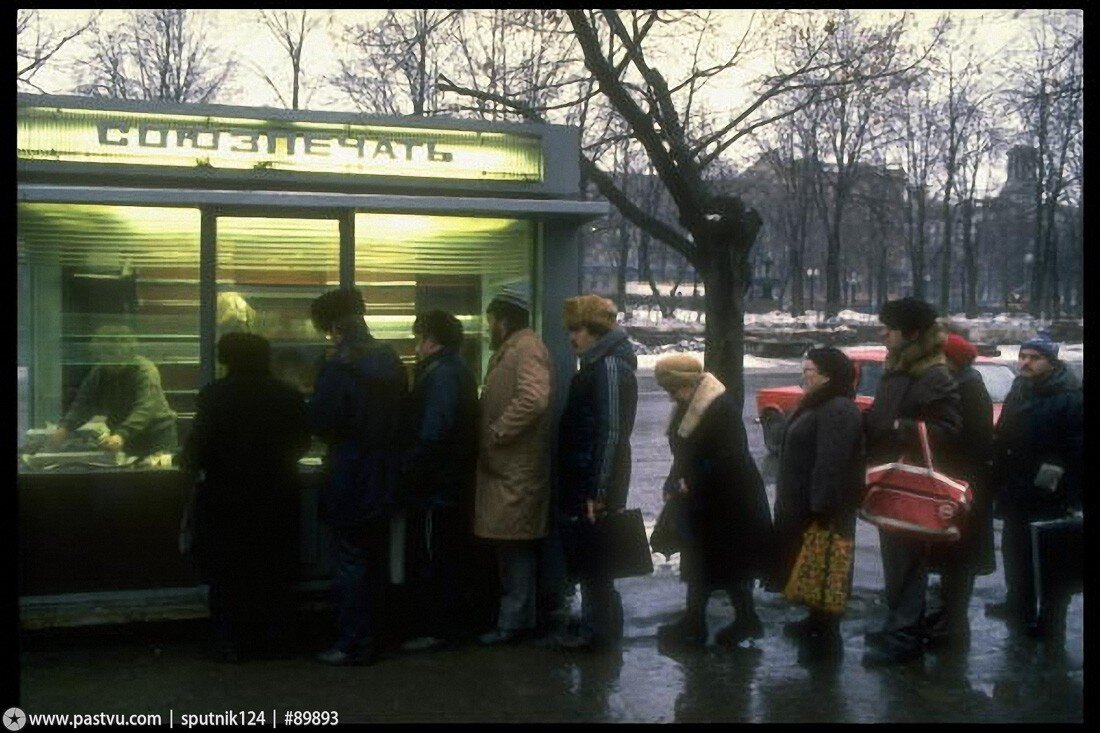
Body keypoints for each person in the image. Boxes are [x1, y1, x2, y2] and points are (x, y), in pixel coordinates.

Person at [179, 333, 310, 662]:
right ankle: (276, 641)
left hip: (227, 495)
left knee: (229, 572)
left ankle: (232, 643)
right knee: (274, 569)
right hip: (277, 494)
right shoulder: (288, 395)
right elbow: (303, 443)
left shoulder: (214, 396)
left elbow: (198, 446)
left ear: (227, 359)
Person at [309, 288, 407, 666]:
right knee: (376, 558)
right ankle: (378, 635)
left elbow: (324, 422)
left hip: (350, 475)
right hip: (386, 474)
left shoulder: (337, 366)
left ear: (334, 326)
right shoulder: (391, 359)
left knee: (349, 561)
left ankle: (354, 642)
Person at [862, 297, 962, 667]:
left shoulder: (933, 373)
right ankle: (900, 626)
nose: (882, 332)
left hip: (911, 484)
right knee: (896, 560)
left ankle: (905, 638)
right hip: (889, 478)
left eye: (890, 326)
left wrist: (897, 428)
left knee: (907, 562)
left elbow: (949, 430)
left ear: (914, 332)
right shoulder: (899, 366)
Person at [653, 355, 773, 649]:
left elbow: (730, 457)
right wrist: (674, 480)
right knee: (705, 561)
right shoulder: (687, 405)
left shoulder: (719, 408)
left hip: (731, 499)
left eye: (673, 388)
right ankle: (711, 622)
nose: (670, 396)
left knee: (722, 563)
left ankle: (710, 624)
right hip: (709, 498)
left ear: (690, 383)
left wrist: (691, 480)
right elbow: (684, 454)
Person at [554, 295, 638, 651]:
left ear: (595, 331)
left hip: (595, 479)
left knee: (596, 558)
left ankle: (598, 632)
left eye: (577, 330)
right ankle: (597, 626)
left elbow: (611, 433)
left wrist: (598, 491)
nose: (572, 338)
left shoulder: (607, 368)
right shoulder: (600, 365)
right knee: (593, 556)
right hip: (590, 476)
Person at [987, 331, 1082, 643]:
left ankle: (1050, 620)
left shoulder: (1069, 396)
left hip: (1049, 490)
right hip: (1015, 483)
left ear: (1051, 362)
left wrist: (1061, 483)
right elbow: (1004, 431)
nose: (1025, 362)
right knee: (1015, 550)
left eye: (1034, 358)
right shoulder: (1020, 387)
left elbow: (1076, 447)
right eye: (1023, 356)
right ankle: (1019, 605)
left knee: (1051, 558)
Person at [772, 347, 863, 663]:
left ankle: (827, 635)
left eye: (809, 369)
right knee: (813, 564)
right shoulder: (817, 402)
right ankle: (815, 621)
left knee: (828, 566)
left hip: (824, 507)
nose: (803, 374)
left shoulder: (838, 408)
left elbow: (831, 463)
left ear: (828, 374)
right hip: (804, 502)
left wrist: (822, 508)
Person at [474, 283, 553, 645]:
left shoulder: (527, 349)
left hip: (515, 472)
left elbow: (534, 399)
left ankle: (514, 623)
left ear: (503, 321)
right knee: (509, 547)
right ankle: (516, 619)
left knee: (514, 548)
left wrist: (498, 431)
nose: (488, 327)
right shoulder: (514, 349)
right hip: (507, 471)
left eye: (491, 320)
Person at [398, 310, 481, 652]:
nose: (416, 346)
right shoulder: (453, 369)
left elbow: (435, 431)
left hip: (439, 488)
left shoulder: (442, 374)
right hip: (449, 482)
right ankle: (444, 625)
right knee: (445, 555)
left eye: (419, 338)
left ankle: (437, 629)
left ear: (430, 339)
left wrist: (409, 467)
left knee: (435, 557)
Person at [923, 332, 995, 652]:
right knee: (951, 556)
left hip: (964, 486)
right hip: (956, 483)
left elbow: (968, 439)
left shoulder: (967, 388)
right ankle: (947, 615)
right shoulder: (959, 384)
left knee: (960, 557)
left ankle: (953, 624)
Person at [48, 324, 178, 458]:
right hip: (123, 436)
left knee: (157, 476)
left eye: (119, 362)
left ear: (130, 354)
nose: (113, 367)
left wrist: (122, 434)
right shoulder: (99, 372)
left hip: (156, 436)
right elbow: (83, 404)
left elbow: (145, 408)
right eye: (109, 360)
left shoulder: (145, 370)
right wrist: (65, 428)